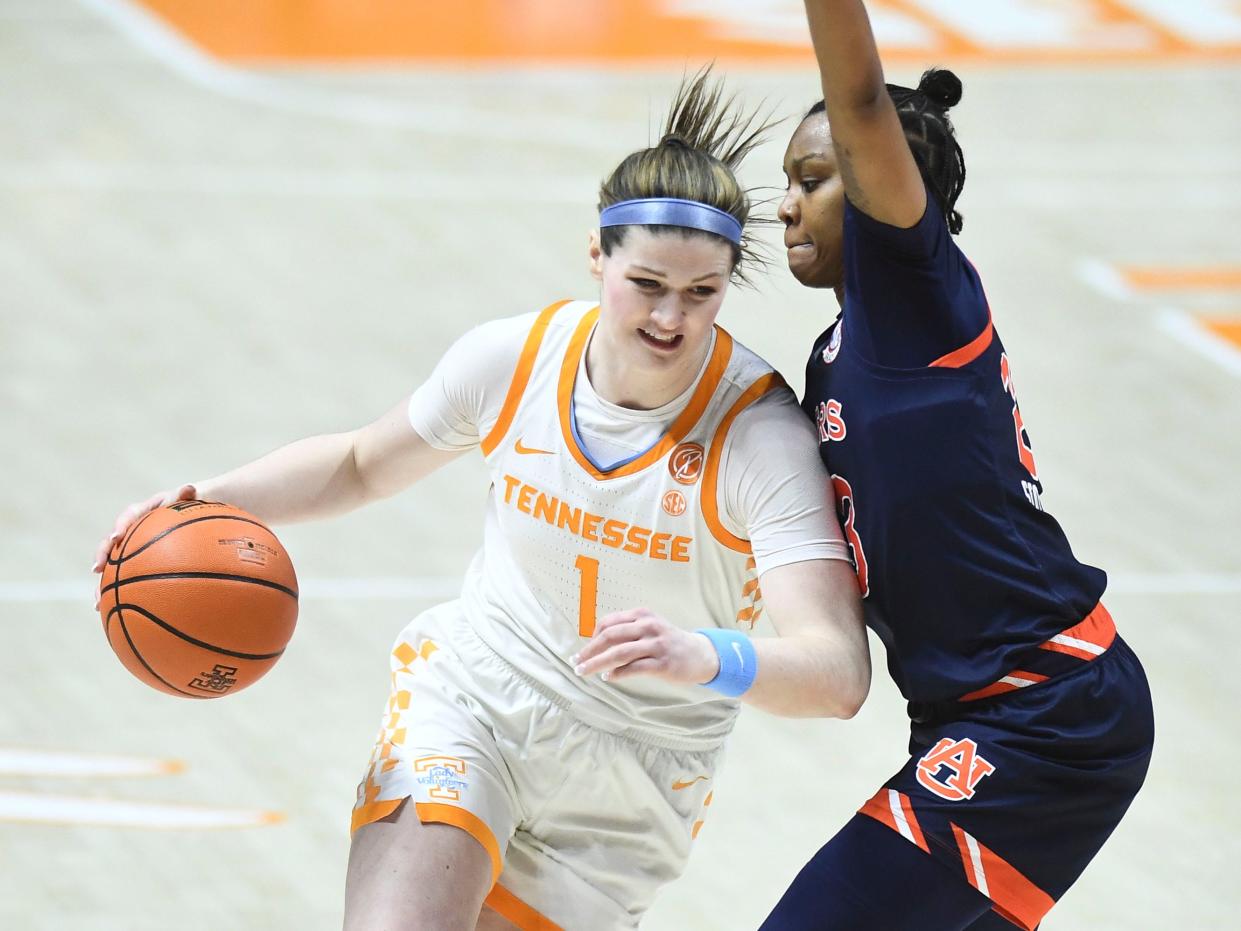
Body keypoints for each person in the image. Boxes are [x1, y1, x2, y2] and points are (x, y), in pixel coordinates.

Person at [92, 71, 870, 931]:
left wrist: (704, 653)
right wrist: (214, 500)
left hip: (633, 778)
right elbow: (358, 463)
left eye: (700, 293)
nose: (669, 318)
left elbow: (835, 672)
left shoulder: (759, 437)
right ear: (596, 255)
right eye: (646, 283)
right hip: (476, 698)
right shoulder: (514, 358)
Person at [760, 3, 1157, 930]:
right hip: (977, 716)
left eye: (812, 178)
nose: (783, 201)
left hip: (1043, 710)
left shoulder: (914, 291)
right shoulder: (840, 347)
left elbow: (858, 100)